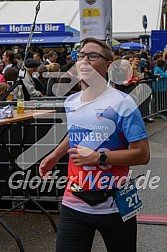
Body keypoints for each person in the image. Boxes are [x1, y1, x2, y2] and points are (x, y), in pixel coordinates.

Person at [39, 37, 150, 252]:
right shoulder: (72, 102)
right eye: (81, 56)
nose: (84, 61)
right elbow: (77, 134)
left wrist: (98, 157)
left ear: (108, 65)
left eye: (93, 56)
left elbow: (142, 154)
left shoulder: (122, 103)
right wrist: (56, 154)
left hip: (116, 204)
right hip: (75, 201)